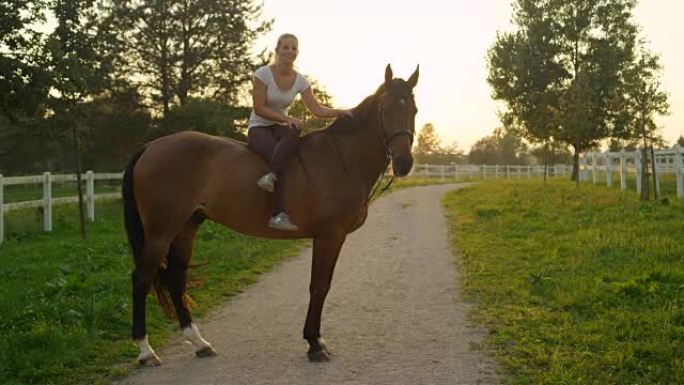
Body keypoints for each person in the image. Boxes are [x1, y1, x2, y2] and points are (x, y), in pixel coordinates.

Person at [247, 33, 351, 231]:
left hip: (280, 129)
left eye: (293, 48)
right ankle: (277, 215)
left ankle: (270, 176)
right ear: (277, 50)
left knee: (295, 131)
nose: (290, 51)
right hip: (259, 127)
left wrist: (341, 112)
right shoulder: (262, 74)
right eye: (285, 47)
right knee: (284, 155)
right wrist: (287, 119)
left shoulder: (300, 81)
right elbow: (259, 108)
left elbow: (317, 109)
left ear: (297, 53)